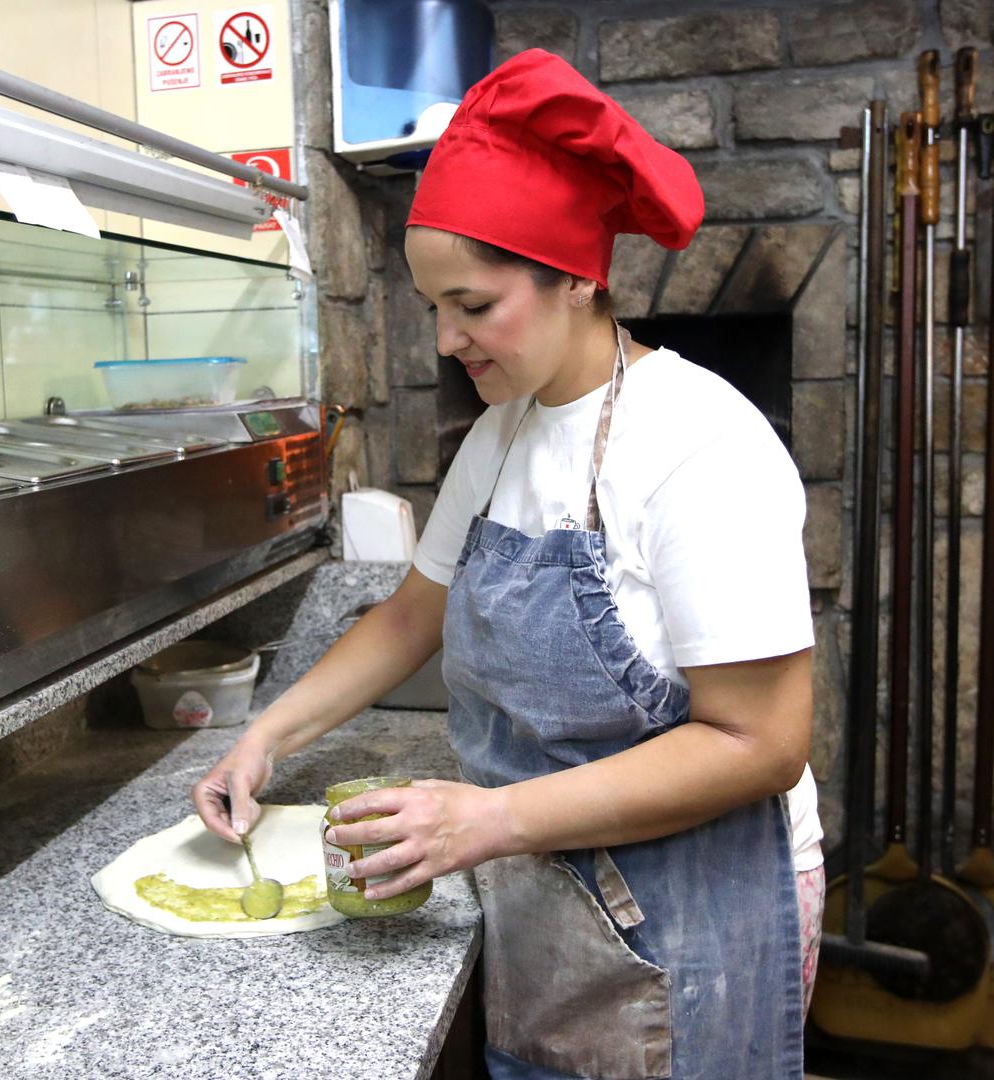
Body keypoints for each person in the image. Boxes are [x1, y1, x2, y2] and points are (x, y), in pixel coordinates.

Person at [193, 49, 824, 1079]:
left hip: (695, 910)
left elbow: (758, 743)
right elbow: (407, 618)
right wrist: (262, 738)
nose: (445, 340)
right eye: (430, 306)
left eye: (474, 306)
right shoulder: (502, 431)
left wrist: (487, 817)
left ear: (576, 276)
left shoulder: (699, 447)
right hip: (547, 890)